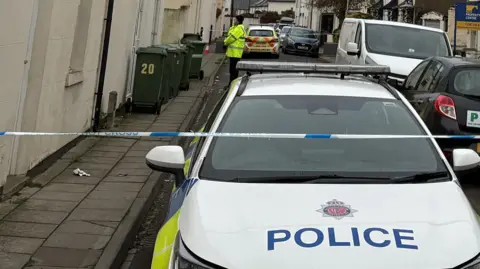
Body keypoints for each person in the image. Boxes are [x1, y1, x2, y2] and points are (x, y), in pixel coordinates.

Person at [224, 15, 246, 88]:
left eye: (235, 20)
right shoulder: (236, 27)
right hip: (234, 52)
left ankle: (232, 86)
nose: (234, 21)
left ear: (238, 21)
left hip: (235, 53)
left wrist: (225, 42)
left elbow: (232, 38)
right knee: (233, 70)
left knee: (233, 71)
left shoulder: (239, 28)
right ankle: (232, 85)